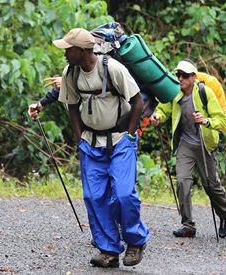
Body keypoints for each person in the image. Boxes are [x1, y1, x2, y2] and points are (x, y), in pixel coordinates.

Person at [51, 28, 150, 268]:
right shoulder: (70, 73)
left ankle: (135, 242)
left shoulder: (112, 69)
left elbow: (138, 102)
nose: (64, 53)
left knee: (124, 194)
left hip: (120, 141)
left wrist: (130, 134)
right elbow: (72, 107)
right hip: (91, 143)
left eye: (68, 49)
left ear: (82, 50)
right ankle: (108, 250)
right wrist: (79, 139)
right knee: (94, 197)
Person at [150, 60, 226, 238]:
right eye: (178, 75)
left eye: (184, 75)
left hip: (205, 143)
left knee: (211, 185)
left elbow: (221, 119)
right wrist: (157, 117)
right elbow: (163, 109)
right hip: (185, 144)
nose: (180, 78)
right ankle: (188, 225)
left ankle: (224, 215)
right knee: (182, 181)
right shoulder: (175, 92)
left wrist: (206, 121)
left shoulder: (204, 92)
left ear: (193, 77)